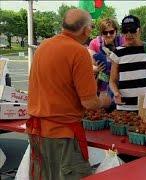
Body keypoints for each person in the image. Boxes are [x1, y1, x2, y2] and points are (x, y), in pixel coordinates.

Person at [27, 9, 111, 180]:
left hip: (37, 131)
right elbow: (89, 102)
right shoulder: (79, 52)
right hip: (63, 134)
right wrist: (104, 100)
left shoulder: (44, 46)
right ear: (86, 30)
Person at [109, 15, 146, 115]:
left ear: (140, 30)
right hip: (124, 107)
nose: (129, 34)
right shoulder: (117, 53)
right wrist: (116, 93)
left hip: (145, 105)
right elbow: (112, 81)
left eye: (133, 30)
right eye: (125, 31)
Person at [88, 18, 122, 112]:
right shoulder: (94, 43)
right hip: (101, 83)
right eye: (105, 32)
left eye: (111, 32)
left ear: (116, 31)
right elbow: (89, 66)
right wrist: (97, 69)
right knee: (103, 110)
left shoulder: (122, 41)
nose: (108, 35)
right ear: (101, 33)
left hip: (119, 83)